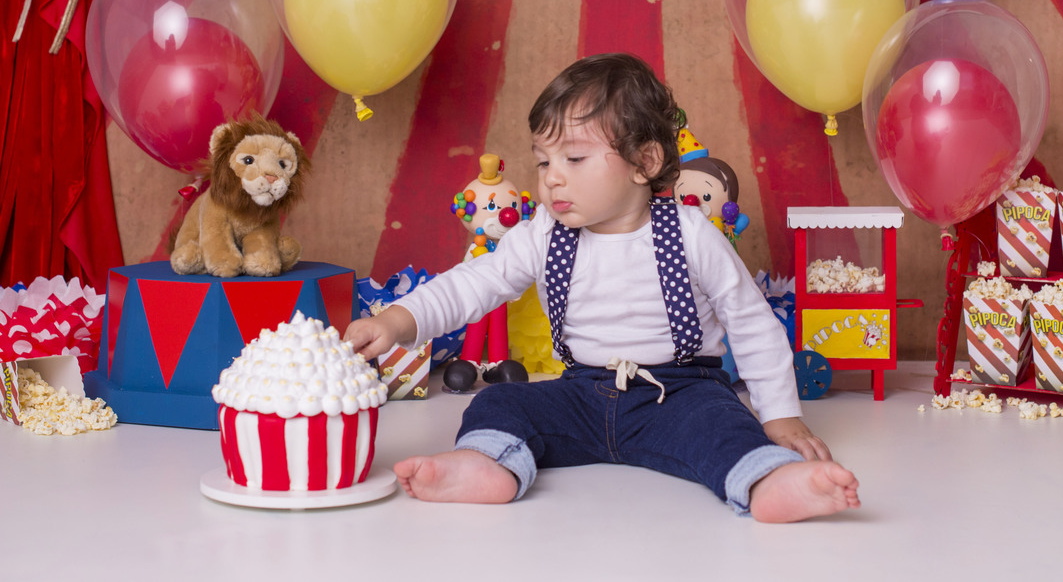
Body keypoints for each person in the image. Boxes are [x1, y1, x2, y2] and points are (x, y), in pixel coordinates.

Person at [346, 53, 859, 522]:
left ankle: (767, 480)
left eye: (574, 159)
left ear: (645, 163)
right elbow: (475, 283)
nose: (552, 180)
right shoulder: (544, 233)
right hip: (581, 394)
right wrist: (397, 320)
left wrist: (783, 417)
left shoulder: (689, 233)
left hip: (678, 395)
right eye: (544, 161)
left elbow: (749, 320)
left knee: (726, 425)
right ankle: (488, 463)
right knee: (497, 405)